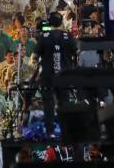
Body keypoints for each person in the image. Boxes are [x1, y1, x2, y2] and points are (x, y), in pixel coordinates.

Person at [32, 11, 78, 140]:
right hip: (64, 76)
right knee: (65, 102)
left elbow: (35, 57)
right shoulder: (68, 36)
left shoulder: (44, 37)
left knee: (49, 104)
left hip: (47, 76)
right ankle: (67, 131)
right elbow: (77, 52)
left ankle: (50, 132)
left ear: (50, 22)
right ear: (61, 22)